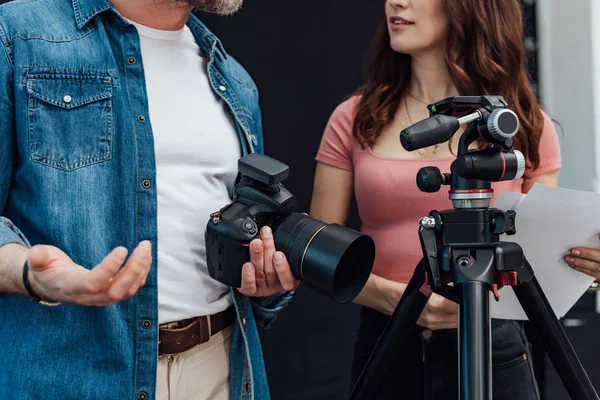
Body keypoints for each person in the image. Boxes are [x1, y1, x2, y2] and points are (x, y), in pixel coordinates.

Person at [0, 0, 298, 399]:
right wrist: (32, 276)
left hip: (221, 367)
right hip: (77, 377)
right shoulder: (19, 34)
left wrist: (265, 280)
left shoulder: (234, 80)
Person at [310, 1, 562, 399]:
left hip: (494, 344)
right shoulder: (355, 117)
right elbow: (316, 250)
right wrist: (395, 298)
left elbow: (542, 256)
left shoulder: (524, 124)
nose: (396, 1)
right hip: (387, 341)